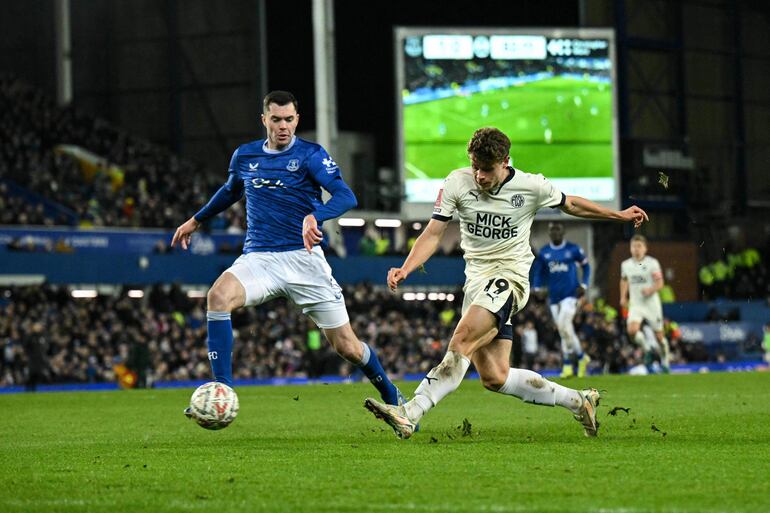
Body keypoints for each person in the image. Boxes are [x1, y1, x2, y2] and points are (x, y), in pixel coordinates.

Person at [364, 127, 648, 439]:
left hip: (508, 281)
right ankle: (579, 401)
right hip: (475, 285)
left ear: (505, 162)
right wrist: (406, 267)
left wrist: (618, 215)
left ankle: (410, 412)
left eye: (486, 170)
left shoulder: (531, 186)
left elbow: (571, 204)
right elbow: (434, 232)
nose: (480, 176)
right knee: (495, 377)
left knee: (461, 343)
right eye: (475, 167)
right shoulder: (457, 182)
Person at [172, 91, 404, 419]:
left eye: (290, 119)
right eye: (277, 119)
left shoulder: (310, 155)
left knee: (348, 348)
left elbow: (346, 195)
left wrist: (316, 216)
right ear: (264, 119)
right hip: (260, 258)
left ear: (297, 119)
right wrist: (196, 220)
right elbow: (230, 192)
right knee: (218, 296)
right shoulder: (245, 156)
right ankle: (222, 390)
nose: (284, 126)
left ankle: (392, 394)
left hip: (303, 259)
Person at [532, 221, 591, 378]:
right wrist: (536, 288)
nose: (555, 233)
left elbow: (586, 266)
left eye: (558, 230)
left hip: (571, 295)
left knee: (564, 325)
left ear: (563, 232)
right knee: (566, 330)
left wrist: (584, 284)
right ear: (549, 233)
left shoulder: (573, 249)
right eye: (552, 230)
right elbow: (538, 272)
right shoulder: (545, 252)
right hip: (553, 297)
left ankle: (567, 365)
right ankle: (581, 357)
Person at [619, 235, 670, 373]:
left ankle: (665, 362)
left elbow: (660, 283)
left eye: (639, 246)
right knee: (631, 330)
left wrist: (651, 289)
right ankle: (647, 349)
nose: (636, 249)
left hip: (651, 304)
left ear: (645, 248)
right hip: (636, 304)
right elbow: (624, 280)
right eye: (634, 246)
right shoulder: (626, 265)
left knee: (659, 337)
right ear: (630, 248)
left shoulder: (652, 263)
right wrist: (623, 297)